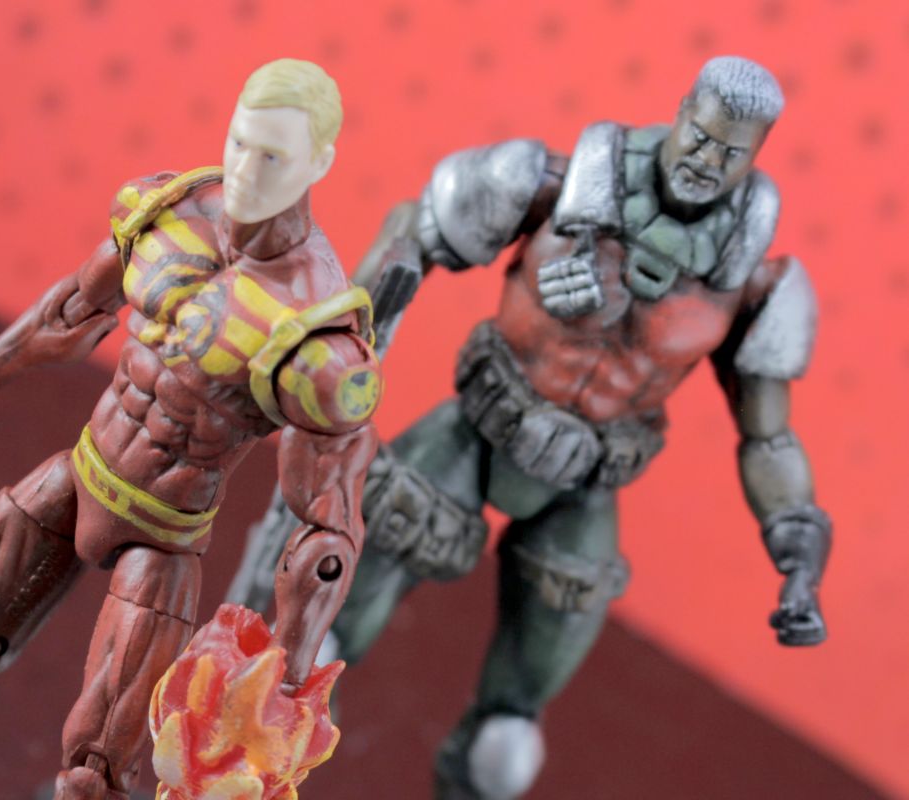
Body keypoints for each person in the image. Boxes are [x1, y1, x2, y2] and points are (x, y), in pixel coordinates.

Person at [234, 55, 830, 800]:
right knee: (310, 643)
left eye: (731, 152)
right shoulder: (554, 184)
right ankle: (228, 775)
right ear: (682, 114)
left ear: (755, 157)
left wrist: (796, 543)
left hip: (586, 482)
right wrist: (343, 358)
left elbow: (769, 435)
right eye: (703, 138)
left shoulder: (754, 284)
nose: (708, 162)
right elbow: (417, 232)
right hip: (476, 431)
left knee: (507, 742)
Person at [0, 58, 380, 800]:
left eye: (273, 157)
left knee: (96, 776)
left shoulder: (315, 336)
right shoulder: (173, 210)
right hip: (79, 475)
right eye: (241, 142)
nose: (246, 169)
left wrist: (287, 673)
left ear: (319, 164)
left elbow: (327, 526)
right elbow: (74, 310)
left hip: (163, 540)